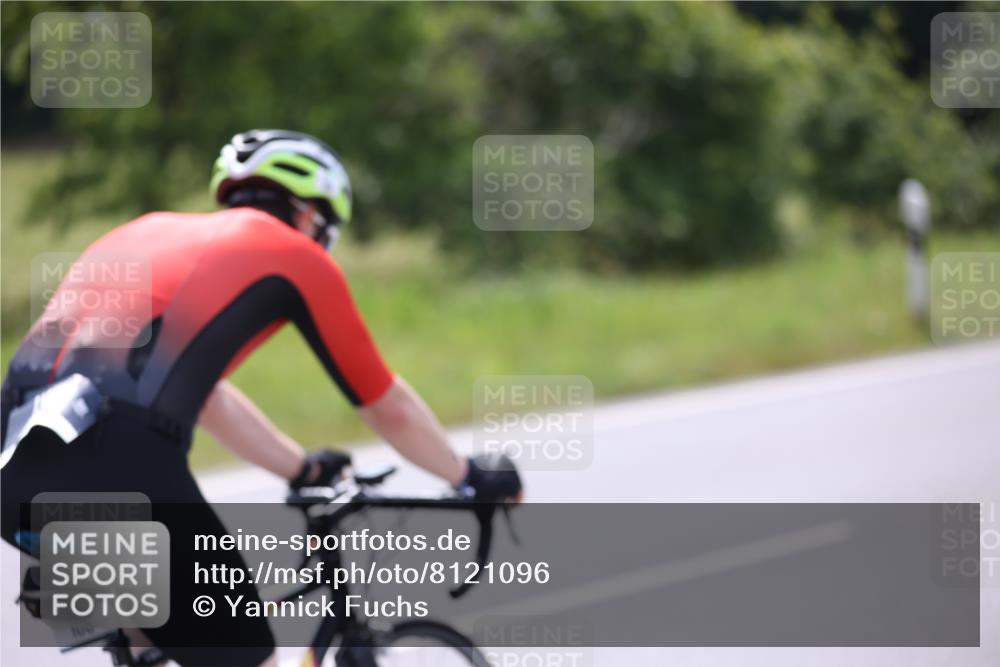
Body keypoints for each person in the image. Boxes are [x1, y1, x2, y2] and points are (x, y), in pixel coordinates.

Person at [0, 129, 522, 667]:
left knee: (157, 637)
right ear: (310, 213)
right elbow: (387, 406)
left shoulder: (145, 230)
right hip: (118, 467)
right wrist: (469, 475)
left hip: (14, 467)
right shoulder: (294, 255)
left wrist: (301, 468)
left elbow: (208, 399)